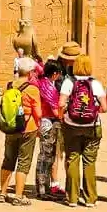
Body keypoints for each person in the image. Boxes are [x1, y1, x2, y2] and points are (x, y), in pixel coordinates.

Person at [58, 54, 107, 207]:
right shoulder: (95, 84)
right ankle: (90, 198)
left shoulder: (68, 82)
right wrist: (92, 110)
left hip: (71, 125)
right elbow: (105, 108)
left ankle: (72, 197)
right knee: (89, 162)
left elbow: (61, 104)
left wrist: (63, 116)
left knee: (72, 158)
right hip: (91, 126)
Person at [0, 59, 42, 206]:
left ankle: (3, 193)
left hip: (10, 128)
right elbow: (38, 112)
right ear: (30, 72)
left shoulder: (10, 86)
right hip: (27, 128)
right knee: (24, 162)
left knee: (8, 159)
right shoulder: (32, 89)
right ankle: (18, 195)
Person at [35, 61, 64, 201]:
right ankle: (42, 189)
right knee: (46, 157)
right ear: (54, 74)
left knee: (45, 156)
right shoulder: (48, 87)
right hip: (48, 123)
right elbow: (55, 110)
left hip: (43, 122)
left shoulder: (41, 82)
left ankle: (43, 187)